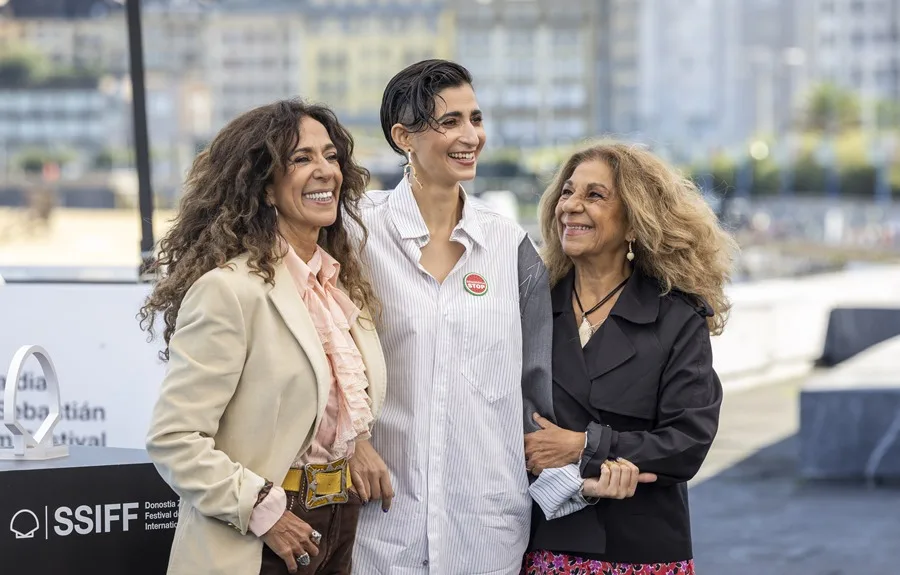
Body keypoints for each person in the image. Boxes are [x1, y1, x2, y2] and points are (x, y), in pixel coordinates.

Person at [140, 100, 386, 575]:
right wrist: (263, 510)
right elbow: (174, 438)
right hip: (261, 535)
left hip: (341, 523)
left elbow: (312, 408)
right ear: (265, 189)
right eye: (301, 159)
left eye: (331, 156)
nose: (325, 172)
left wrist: (356, 443)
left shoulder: (340, 288)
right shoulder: (228, 292)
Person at [348, 59, 556, 574]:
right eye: (450, 122)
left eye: (475, 118)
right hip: (382, 527)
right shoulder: (356, 235)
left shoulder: (509, 245)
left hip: (484, 531)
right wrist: (349, 442)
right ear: (404, 137)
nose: (471, 136)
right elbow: (318, 356)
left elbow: (538, 384)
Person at [522, 143, 738, 574]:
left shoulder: (678, 316)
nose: (572, 206)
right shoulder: (531, 306)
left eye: (594, 195)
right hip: (544, 542)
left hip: (641, 551)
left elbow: (687, 443)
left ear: (635, 223)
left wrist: (585, 446)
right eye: (567, 193)